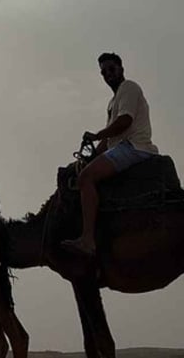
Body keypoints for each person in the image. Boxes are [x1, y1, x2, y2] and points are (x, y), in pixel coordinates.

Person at [60, 52, 158, 257]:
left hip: (134, 147)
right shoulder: (113, 101)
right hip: (121, 147)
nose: (108, 74)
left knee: (86, 178)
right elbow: (108, 140)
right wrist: (92, 155)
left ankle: (87, 239)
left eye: (111, 69)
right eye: (103, 72)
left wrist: (96, 135)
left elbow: (124, 122)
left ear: (121, 69)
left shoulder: (129, 88)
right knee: (82, 170)